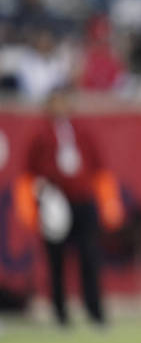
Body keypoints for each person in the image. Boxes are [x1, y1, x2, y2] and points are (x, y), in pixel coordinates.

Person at [14, 86, 125, 327]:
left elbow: (99, 168)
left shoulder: (82, 131)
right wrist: (32, 205)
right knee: (56, 259)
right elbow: (29, 173)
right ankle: (60, 312)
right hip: (54, 200)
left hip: (82, 199)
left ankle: (94, 310)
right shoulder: (39, 134)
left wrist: (108, 202)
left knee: (89, 255)